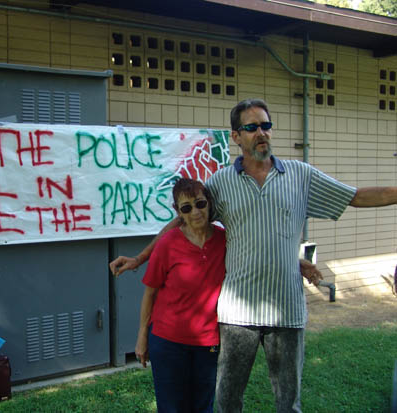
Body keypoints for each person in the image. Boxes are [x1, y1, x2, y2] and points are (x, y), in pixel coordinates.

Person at [110, 98, 397, 413]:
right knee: (228, 402)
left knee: (288, 404)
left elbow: (354, 196)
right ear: (236, 136)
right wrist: (140, 258)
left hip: (286, 312)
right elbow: (184, 220)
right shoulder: (221, 183)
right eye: (251, 127)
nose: (261, 132)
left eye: (266, 125)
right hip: (238, 316)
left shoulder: (301, 175)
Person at [136, 178, 226, 413]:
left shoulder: (224, 240)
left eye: (200, 203)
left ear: (209, 203)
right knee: (171, 407)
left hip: (208, 342)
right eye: (186, 208)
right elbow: (150, 292)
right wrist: (142, 337)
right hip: (168, 342)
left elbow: (256, 252)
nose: (195, 212)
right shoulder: (167, 244)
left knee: (203, 406)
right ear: (178, 212)